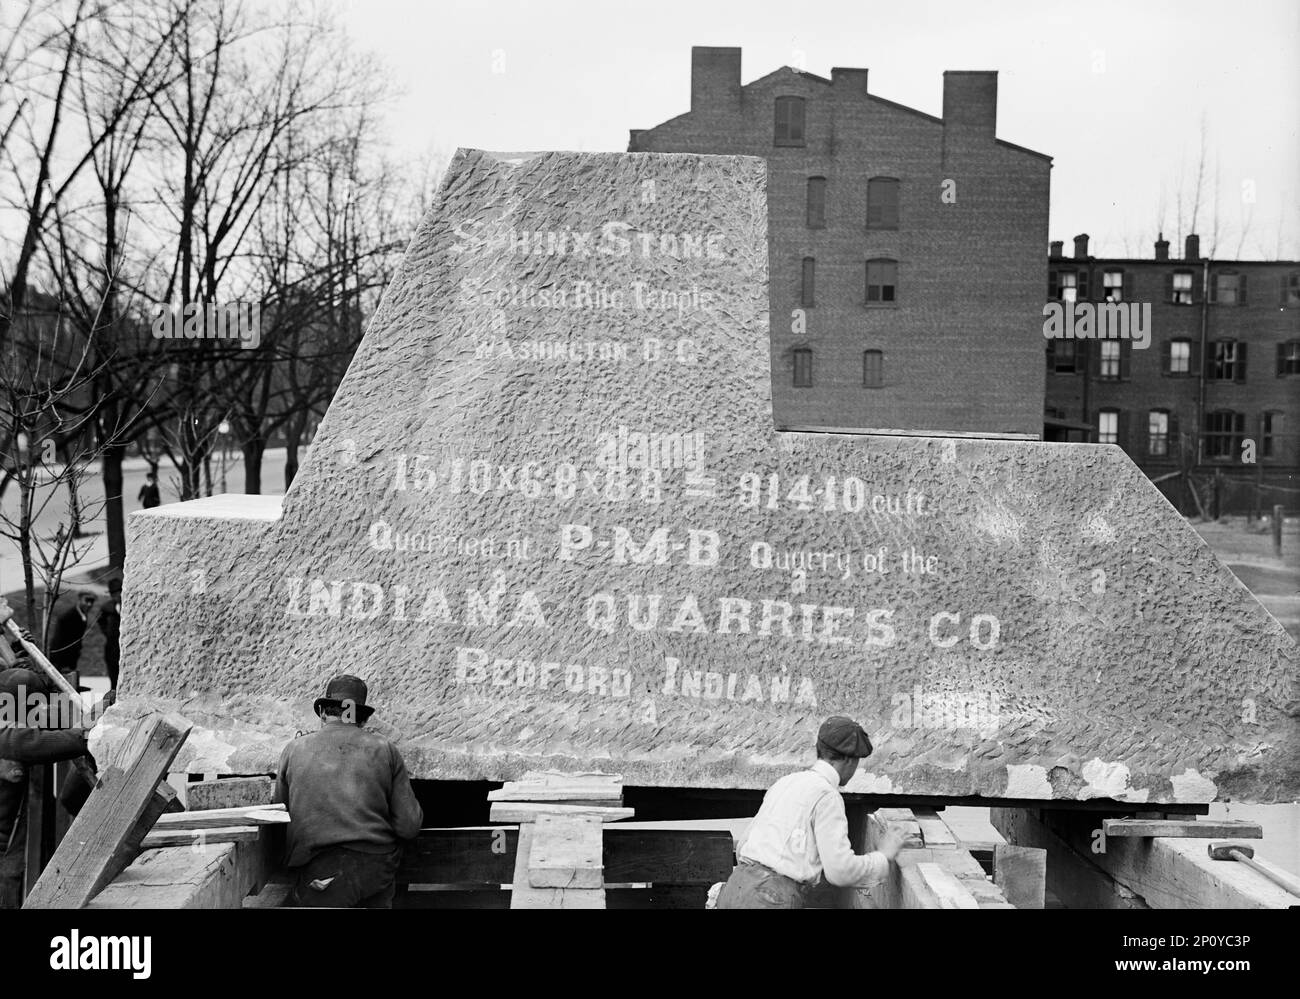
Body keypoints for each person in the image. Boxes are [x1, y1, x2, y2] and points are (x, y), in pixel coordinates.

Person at [716, 715, 906, 909]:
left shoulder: (786, 782)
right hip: (770, 899)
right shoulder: (827, 796)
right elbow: (839, 871)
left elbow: (743, 847)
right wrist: (883, 856)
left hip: (735, 889)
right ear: (849, 760)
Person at [274, 674, 423, 908]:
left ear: (323, 713)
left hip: (322, 870)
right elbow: (409, 826)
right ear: (361, 719)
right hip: (377, 869)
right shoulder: (385, 749)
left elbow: (278, 817)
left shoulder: (294, 750)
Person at [0, 667, 95, 908]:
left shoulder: (14, 719)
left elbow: (50, 723)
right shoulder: (8, 733)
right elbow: (30, 742)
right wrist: (86, 735)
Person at [45, 591, 96, 677]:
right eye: (87, 601)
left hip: (73, 658)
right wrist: (62, 664)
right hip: (62, 660)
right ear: (79, 600)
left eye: (92, 602)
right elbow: (59, 641)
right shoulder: (67, 617)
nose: (89, 604)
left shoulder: (83, 615)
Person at [98, 578, 122, 691]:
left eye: (119, 592)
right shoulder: (106, 608)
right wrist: (107, 632)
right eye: (114, 593)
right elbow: (100, 620)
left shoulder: (130, 605)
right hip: (112, 648)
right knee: (114, 678)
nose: (117, 596)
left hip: (125, 648)